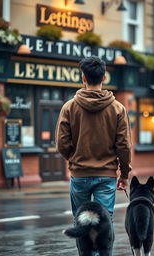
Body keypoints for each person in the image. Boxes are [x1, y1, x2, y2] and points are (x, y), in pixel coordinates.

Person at [56, 55, 132, 227]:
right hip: (106, 176)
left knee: (81, 224)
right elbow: (124, 146)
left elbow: (61, 143)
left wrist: (75, 158)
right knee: (104, 224)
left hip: (79, 174)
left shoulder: (69, 107)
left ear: (83, 77)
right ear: (104, 77)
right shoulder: (118, 109)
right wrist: (125, 174)